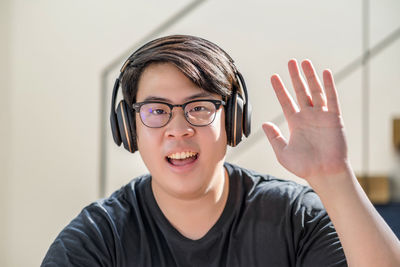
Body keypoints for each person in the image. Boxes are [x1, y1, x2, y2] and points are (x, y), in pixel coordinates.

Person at [42, 35, 400, 266]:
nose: (178, 129)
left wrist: (335, 178)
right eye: (156, 110)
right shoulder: (100, 237)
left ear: (233, 120)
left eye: (199, 107)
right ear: (128, 127)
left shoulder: (295, 218)